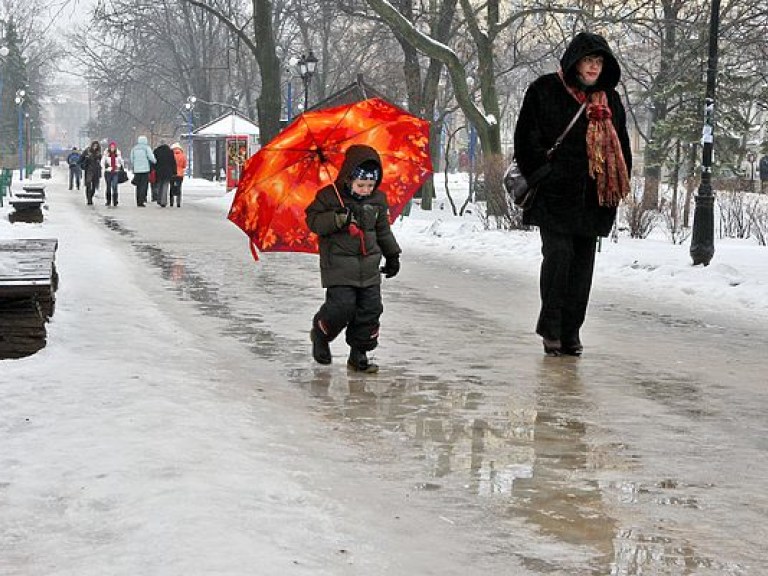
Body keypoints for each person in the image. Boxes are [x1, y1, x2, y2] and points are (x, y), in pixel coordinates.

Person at [514, 31, 632, 356]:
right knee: (558, 259)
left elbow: (621, 146)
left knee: (582, 269)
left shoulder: (611, 100)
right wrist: (544, 175)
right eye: (588, 60)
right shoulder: (545, 90)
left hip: (594, 201)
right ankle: (551, 329)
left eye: (598, 61)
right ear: (575, 62)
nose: (593, 67)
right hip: (554, 197)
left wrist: (618, 185)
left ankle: (571, 332)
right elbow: (525, 137)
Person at [305, 144, 401, 373]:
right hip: (338, 266)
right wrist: (337, 219)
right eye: (361, 185)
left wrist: (392, 254)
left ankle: (359, 352)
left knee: (371, 310)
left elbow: (383, 231)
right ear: (348, 179)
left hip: (369, 267)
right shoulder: (329, 197)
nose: (366, 189)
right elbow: (314, 221)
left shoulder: (377, 200)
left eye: (371, 185)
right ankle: (321, 334)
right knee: (342, 307)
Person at [130, 135, 156, 207]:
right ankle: (142, 200)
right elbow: (151, 157)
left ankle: (138, 200)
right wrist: (154, 161)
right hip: (145, 169)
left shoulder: (134, 148)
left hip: (137, 170)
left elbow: (132, 159)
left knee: (138, 186)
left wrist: (135, 164)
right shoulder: (147, 148)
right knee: (143, 185)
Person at [101, 141, 124, 207]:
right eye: (111, 147)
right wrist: (105, 167)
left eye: (113, 147)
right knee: (108, 187)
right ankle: (108, 201)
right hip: (108, 172)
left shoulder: (118, 154)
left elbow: (121, 162)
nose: (112, 148)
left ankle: (115, 200)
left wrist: (119, 166)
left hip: (115, 172)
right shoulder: (106, 154)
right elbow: (102, 162)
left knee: (114, 186)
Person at [153, 143, 175, 207]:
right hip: (168, 171)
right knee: (165, 186)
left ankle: (159, 199)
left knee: (159, 185)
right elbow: (173, 162)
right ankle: (163, 201)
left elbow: (154, 161)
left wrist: (154, 168)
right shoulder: (170, 152)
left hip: (159, 171)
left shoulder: (156, 151)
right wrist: (174, 171)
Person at [80, 140, 102, 205]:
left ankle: (91, 196)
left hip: (96, 170)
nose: (95, 147)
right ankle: (89, 199)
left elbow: (101, 161)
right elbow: (81, 159)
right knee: (88, 184)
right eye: (94, 146)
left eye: (96, 146)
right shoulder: (87, 151)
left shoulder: (99, 153)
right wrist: (83, 164)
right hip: (89, 170)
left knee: (94, 186)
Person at [169, 142, 187, 207]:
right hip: (180, 174)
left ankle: (171, 202)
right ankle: (178, 202)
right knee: (179, 187)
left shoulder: (170, 155)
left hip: (172, 174)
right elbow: (184, 165)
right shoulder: (182, 155)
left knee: (171, 187)